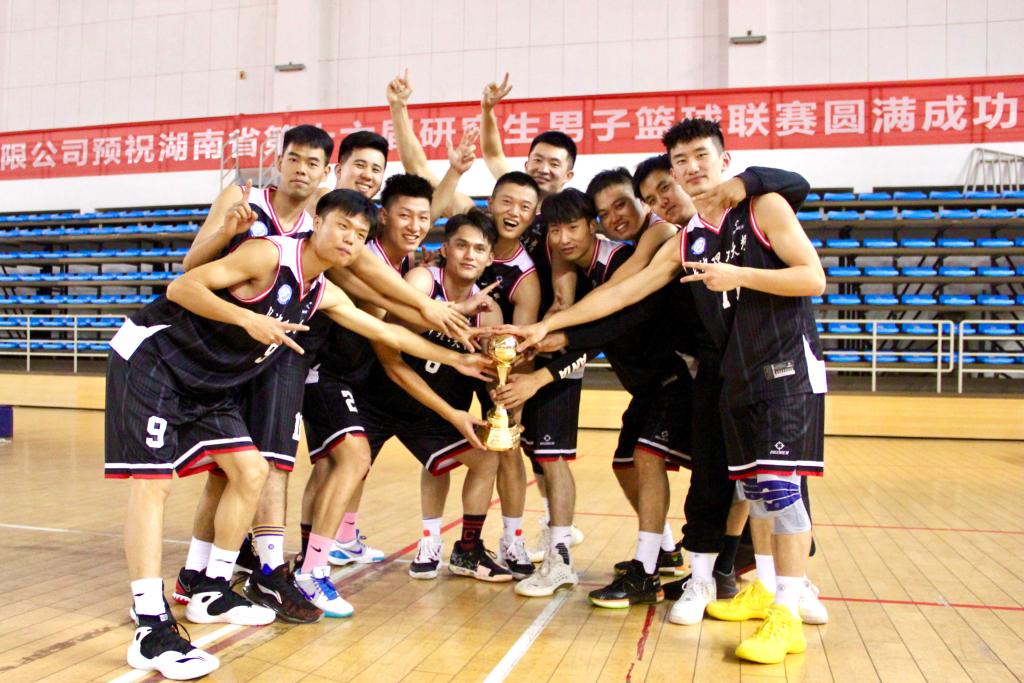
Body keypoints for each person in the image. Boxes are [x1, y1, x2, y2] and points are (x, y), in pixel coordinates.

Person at [108, 189, 489, 677]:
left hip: (209, 380)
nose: (349, 239)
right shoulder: (267, 253)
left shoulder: (323, 292)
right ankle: (149, 624)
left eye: (359, 235)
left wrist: (458, 359)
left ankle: (211, 589)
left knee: (250, 471)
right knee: (152, 484)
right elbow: (182, 287)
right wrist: (248, 318)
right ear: (317, 223)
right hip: (155, 361)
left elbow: (386, 333)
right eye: (341, 226)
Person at [502, 118, 828, 663]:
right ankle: (767, 588)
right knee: (754, 491)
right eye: (681, 160)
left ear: (724, 160)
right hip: (735, 377)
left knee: (778, 491)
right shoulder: (688, 238)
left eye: (701, 156)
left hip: (784, 369)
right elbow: (622, 293)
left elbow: (813, 278)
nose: (691, 168)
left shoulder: (763, 205)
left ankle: (788, 609)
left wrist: (741, 276)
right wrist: (545, 328)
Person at [510, 188, 696, 603]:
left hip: (678, 376)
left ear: (591, 226)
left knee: (651, 459)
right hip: (646, 388)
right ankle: (666, 551)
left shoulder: (620, 262)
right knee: (625, 466)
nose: (563, 239)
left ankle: (649, 570)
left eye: (573, 227)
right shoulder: (579, 274)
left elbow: (610, 328)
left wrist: (543, 371)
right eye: (555, 230)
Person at [356, 209, 513, 582]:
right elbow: (391, 338)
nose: (469, 255)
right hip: (381, 396)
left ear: (490, 258)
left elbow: (487, 371)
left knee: (485, 459)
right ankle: (320, 548)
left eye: (479, 249)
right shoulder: (423, 281)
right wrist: (454, 317)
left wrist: (502, 388)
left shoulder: (489, 312)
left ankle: (461, 549)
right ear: (445, 249)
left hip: (433, 412)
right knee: (343, 468)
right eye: (461, 245)